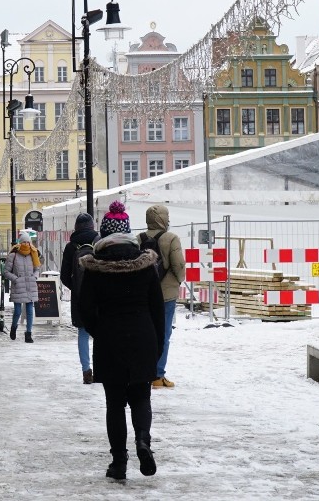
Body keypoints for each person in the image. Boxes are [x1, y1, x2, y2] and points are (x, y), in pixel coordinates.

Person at [79, 200, 165, 480]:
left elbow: (85, 309)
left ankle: (119, 462)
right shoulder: (146, 265)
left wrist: (100, 331)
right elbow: (157, 308)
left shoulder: (95, 267)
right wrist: (158, 344)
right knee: (141, 397)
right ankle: (143, 440)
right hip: (143, 337)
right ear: (128, 231)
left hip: (110, 340)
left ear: (104, 235)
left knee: (114, 403)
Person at [141, 204, 185, 389]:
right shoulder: (171, 238)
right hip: (166, 294)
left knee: (146, 332)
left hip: (144, 294)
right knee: (164, 333)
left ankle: (144, 371)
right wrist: (179, 280)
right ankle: (158, 375)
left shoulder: (139, 239)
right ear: (163, 219)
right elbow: (178, 264)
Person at [60, 213, 101, 384]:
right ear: (92, 226)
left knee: (83, 333)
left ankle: (86, 371)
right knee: (100, 334)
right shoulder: (99, 243)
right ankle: (100, 369)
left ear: (76, 227)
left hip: (80, 298)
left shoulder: (71, 247)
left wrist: (76, 288)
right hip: (99, 296)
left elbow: (64, 276)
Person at [4, 232, 41, 343]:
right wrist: (15, 279)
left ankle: (28, 334)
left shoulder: (33, 254)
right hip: (18, 286)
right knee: (18, 311)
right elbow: (6, 271)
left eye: (28, 242)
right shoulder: (13, 255)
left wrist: (34, 277)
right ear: (20, 243)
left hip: (30, 285)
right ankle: (14, 327)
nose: (26, 244)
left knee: (30, 311)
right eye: (24, 242)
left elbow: (37, 269)